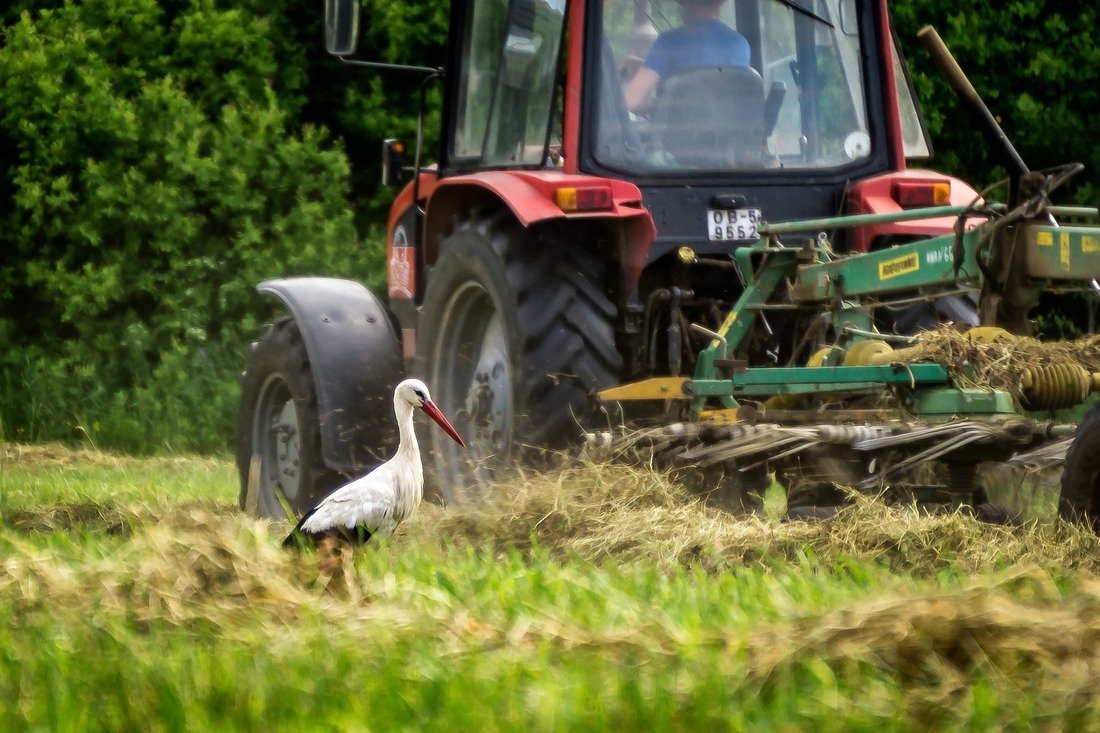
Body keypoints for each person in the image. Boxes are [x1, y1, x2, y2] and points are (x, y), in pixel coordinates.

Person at [623, 0, 750, 114]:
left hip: (679, 137)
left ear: (682, 3)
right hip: (729, 138)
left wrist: (660, 105)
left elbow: (631, 101)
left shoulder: (668, 42)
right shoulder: (740, 43)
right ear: (720, 3)